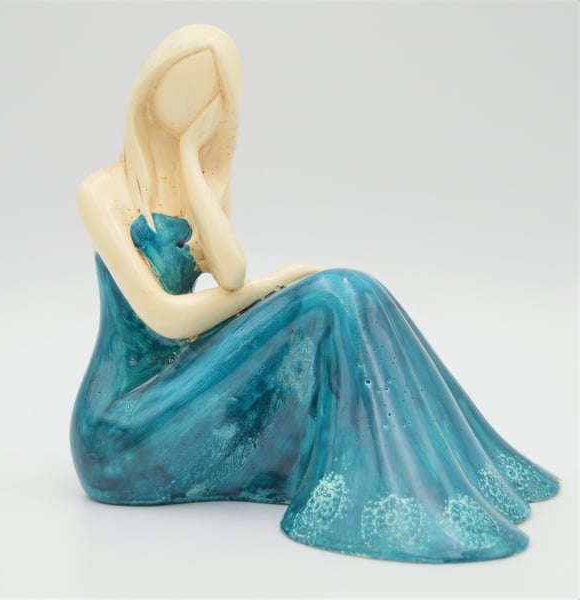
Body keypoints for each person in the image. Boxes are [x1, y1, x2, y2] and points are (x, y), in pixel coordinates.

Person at [71, 24, 559, 563]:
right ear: (153, 83)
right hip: (124, 425)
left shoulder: (197, 186)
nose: (191, 99)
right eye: (182, 79)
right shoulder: (102, 191)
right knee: (328, 294)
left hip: (185, 382)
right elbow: (166, 318)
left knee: (356, 289)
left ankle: (445, 475)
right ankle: (373, 496)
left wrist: (190, 157)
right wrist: (271, 287)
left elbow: (230, 272)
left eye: (211, 89)